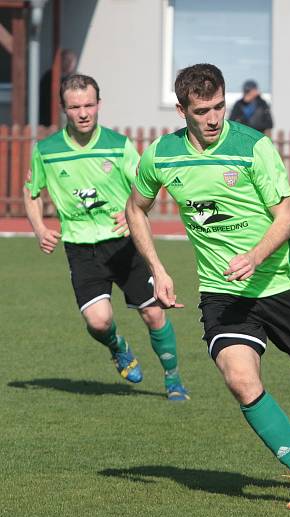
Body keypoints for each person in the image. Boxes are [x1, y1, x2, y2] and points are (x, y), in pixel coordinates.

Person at [126, 64, 290, 509]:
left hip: (281, 283)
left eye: (219, 106)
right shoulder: (161, 155)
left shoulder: (254, 146)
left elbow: (288, 216)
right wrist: (157, 268)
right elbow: (135, 208)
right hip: (223, 293)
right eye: (202, 111)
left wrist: (255, 256)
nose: (215, 118)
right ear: (182, 110)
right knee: (239, 380)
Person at [23, 74, 189, 401]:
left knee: (155, 313)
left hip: (125, 243)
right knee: (99, 323)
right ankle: (118, 347)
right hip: (81, 248)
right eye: (75, 107)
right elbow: (31, 193)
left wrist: (132, 211)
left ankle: (173, 380)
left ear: (99, 104)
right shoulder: (47, 150)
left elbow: (148, 184)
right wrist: (40, 227)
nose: (83, 113)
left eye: (88, 105)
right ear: (63, 109)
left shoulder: (118, 145)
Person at [39, 49, 78, 127]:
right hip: (49, 119)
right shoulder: (50, 77)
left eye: (72, 61)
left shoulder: (75, 78)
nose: (70, 64)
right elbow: (46, 98)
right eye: (67, 60)